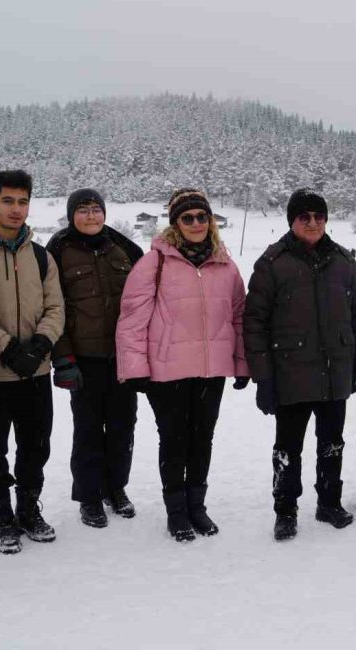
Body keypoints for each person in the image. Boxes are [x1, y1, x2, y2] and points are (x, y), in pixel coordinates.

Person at [116, 189, 248, 542]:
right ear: (175, 222)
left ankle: (197, 506)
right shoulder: (154, 263)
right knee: (174, 441)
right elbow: (131, 320)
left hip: (211, 369)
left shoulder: (226, 265)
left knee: (202, 438)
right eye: (187, 218)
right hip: (166, 370)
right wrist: (135, 368)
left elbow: (238, 318)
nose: (195, 223)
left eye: (201, 217)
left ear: (210, 221)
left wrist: (242, 363)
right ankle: (176, 511)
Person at [244, 188, 356, 541]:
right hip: (290, 375)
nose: (313, 222)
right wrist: (263, 379)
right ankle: (285, 510)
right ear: (292, 221)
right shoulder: (272, 264)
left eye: (318, 216)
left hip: (335, 372)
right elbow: (254, 323)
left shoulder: (344, 262)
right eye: (305, 217)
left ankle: (329, 502)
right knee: (288, 448)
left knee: (332, 443)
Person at [0, 170, 65, 554]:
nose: (16, 209)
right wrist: (6, 348)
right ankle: (2, 517)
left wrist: (39, 343)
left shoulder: (40, 255)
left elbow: (56, 306)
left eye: (22, 201)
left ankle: (28, 509)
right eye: (7, 201)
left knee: (36, 446)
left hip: (36, 371)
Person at [46, 189, 144, 528]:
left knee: (122, 426)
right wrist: (63, 358)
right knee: (87, 430)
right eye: (83, 210)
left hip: (122, 358)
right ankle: (89, 496)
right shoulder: (57, 252)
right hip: (83, 359)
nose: (91, 216)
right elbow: (52, 308)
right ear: (72, 215)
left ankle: (115, 488)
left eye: (96, 210)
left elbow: (143, 304)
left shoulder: (125, 248)